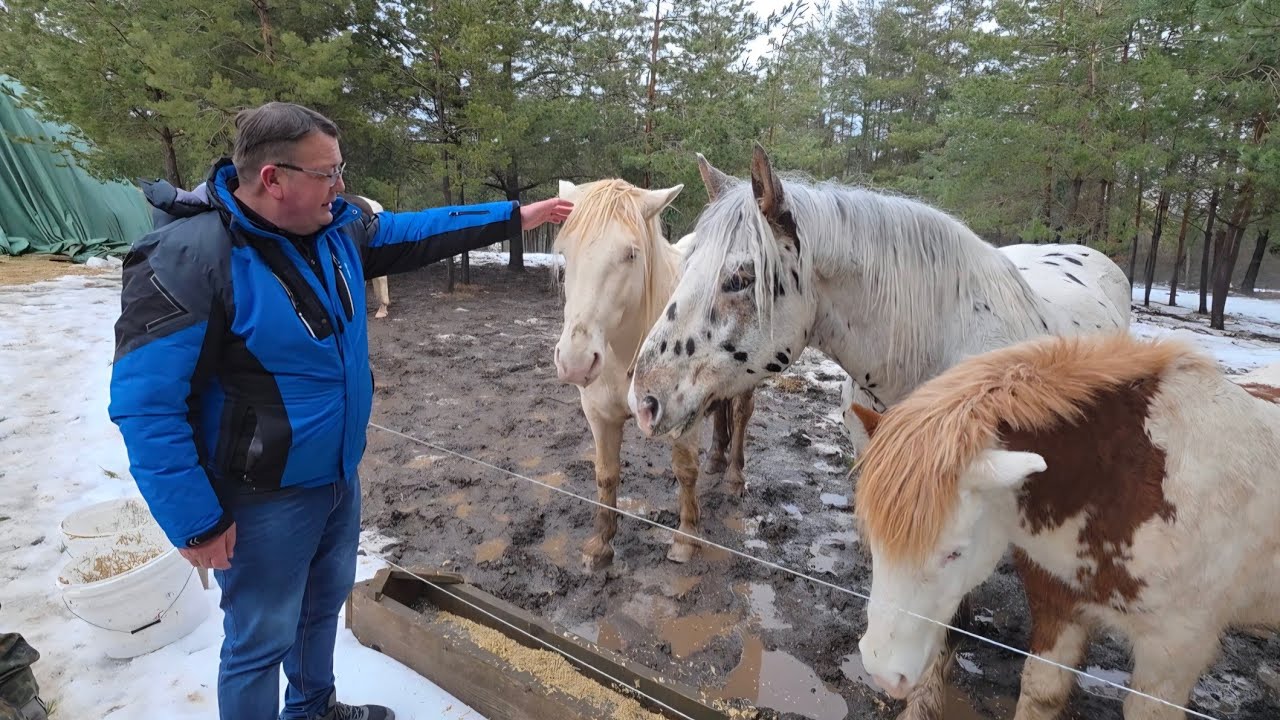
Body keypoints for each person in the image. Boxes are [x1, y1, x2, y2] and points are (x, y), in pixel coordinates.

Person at [107, 101, 573, 720]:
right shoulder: (190, 258)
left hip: (335, 478)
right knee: (257, 642)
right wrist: (196, 520)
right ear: (274, 179)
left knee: (320, 608)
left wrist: (516, 215)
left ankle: (313, 709)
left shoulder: (338, 228)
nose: (342, 185)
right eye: (328, 172)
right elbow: (146, 406)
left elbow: (417, 231)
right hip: (257, 498)